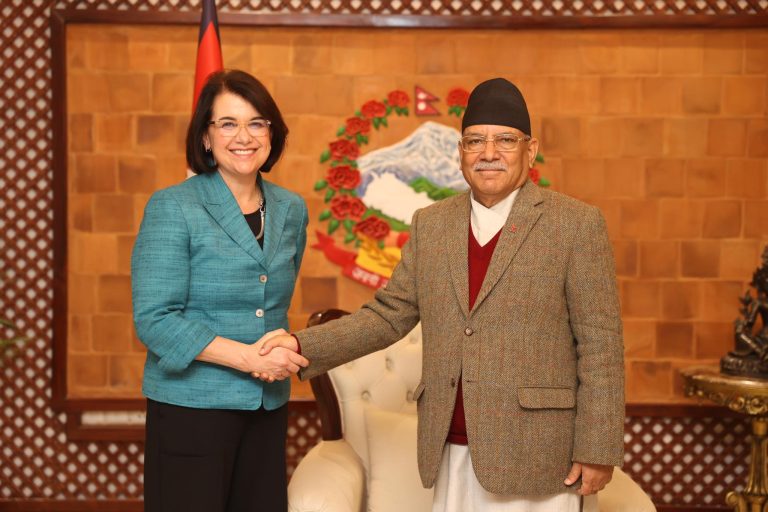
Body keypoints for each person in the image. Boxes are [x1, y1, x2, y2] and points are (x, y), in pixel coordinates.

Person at [260, 78, 624, 511]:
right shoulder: (432, 224)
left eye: (505, 140)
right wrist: (302, 345)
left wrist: (598, 449)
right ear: (461, 152)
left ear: (530, 150)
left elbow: (601, 345)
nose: (489, 152)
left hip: (540, 455)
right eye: (475, 141)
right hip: (451, 445)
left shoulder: (575, 225)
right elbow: (388, 315)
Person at [131, 69, 308, 512]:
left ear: (272, 133)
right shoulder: (173, 206)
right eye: (228, 123)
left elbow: (271, 303)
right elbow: (155, 320)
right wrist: (248, 358)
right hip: (192, 410)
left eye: (256, 123)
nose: (244, 136)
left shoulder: (291, 208)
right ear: (206, 138)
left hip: (267, 407)